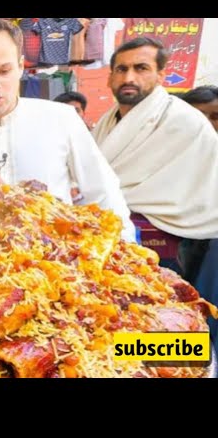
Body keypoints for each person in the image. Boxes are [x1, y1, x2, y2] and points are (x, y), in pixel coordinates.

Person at [0, 18, 136, 242]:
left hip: (58, 265)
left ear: (21, 66)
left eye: (4, 71)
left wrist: (127, 250)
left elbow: (104, 193)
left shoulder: (60, 120)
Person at [92, 37, 218, 276]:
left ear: (161, 75)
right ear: (110, 77)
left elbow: (203, 191)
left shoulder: (185, 121)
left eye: (141, 68)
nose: (129, 78)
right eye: (121, 69)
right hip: (110, 239)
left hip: (170, 243)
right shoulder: (106, 122)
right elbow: (97, 181)